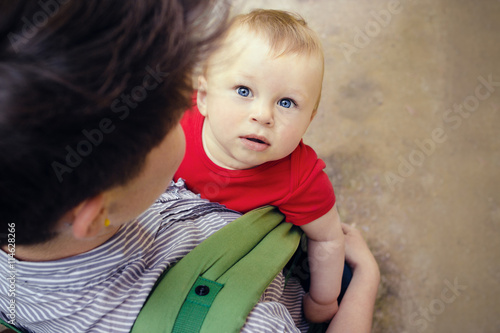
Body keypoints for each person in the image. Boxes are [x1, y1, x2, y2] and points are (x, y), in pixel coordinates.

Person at [0, 1, 379, 332]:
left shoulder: (16, 234)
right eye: (168, 114)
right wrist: (365, 283)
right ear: (93, 214)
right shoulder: (249, 323)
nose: (189, 106)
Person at [174, 9, 344, 323]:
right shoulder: (176, 125)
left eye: (286, 102)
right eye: (244, 91)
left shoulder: (300, 177)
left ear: (310, 119)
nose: (263, 115)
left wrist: (324, 299)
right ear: (204, 97)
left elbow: (328, 238)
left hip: (230, 267)